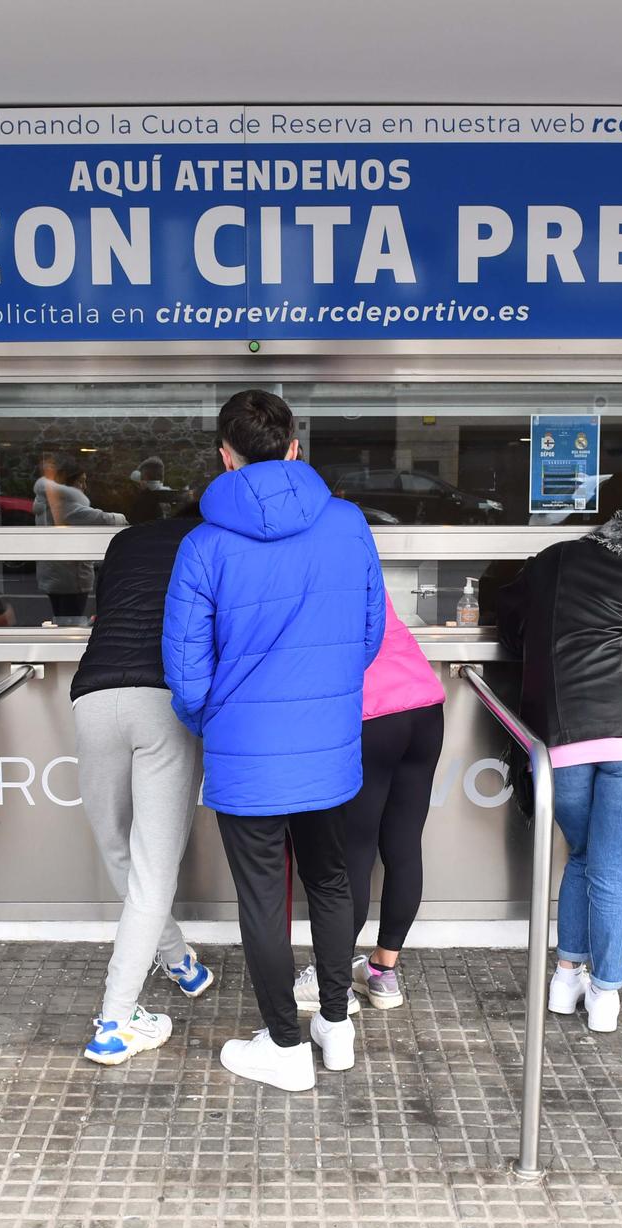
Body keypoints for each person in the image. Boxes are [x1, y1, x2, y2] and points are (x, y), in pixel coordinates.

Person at [164, 389, 385, 1091]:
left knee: (263, 897)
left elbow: (187, 674)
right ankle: (336, 1025)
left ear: (225, 457)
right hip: (327, 748)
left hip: (246, 753)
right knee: (331, 880)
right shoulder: (348, 524)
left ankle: (287, 1047)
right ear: (295, 445)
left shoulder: (200, 545)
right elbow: (370, 635)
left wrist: (217, 722)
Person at [496, 474, 622, 1033]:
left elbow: (510, 623)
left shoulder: (555, 558)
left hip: (561, 740)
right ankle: (604, 995)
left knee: (583, 855)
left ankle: (565, 979)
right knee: (618, 868)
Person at [71, 495, 217, 1066]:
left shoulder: (124, 541)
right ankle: (116, 1020)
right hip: (162, 700)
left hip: (93, 693)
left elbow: (101, 616)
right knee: (153, 869)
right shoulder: (210, 543)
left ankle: (180, 962)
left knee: (117, 846)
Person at [302, 589, 445, 1013]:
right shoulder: (363, 573)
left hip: (371, 714)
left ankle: (335, 979)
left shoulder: (306, 581)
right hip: (424, 707)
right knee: (403, 847)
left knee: (355, 853)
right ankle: (382, 971)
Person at [34, 453, 125, 623]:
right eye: (80, 481)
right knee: (71, 624)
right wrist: (123, 518)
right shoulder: (65, 505)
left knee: (61, 619)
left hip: (52, 574)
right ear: (67, 483)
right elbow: (102, 519)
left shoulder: (45, 501)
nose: (84, 486)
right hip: (70, 577)